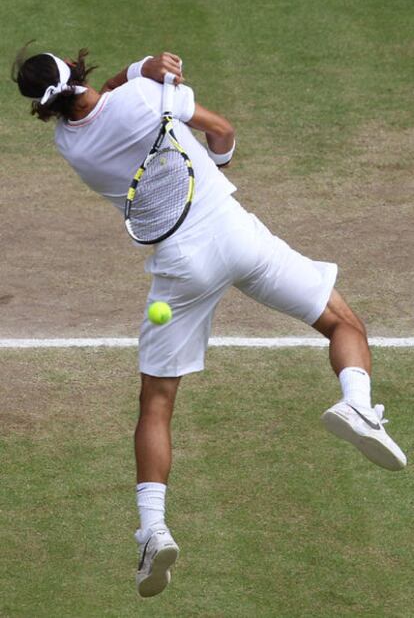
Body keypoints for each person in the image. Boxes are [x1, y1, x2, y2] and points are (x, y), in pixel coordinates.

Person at [13, 46, 407, 598]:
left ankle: (153, 530)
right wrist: (206, 152)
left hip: (181, 268)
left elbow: (106, 99)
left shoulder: (69, 145)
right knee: (345, 324)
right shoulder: (151, 96)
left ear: (41, 106)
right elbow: (221, 131)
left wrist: (140, 73)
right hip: (238, 235)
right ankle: (359, 404)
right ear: (79, 71)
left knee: (157, 401)